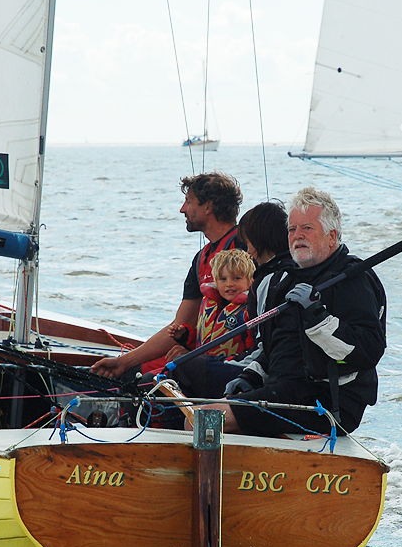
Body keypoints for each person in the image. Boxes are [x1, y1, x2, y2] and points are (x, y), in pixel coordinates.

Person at [178, 187, 386, 437]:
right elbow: (276, 350)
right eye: (292, 229)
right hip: (285, 391)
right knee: (192, 412)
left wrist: (318, 319)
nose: (297, 236)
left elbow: (367, 352)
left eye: (307, 228)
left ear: (332, 236)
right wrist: (251, 376)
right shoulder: (288, 279)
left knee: (201, 421)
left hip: (328, 403)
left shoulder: (354, 280)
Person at [90, 171, 243, 379]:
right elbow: (179, 326)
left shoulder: (244, 246)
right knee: (127, 374)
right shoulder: (201, 259)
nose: (182, 209)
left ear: (208, 207)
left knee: (147, 382)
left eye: (188, 202)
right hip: (197, 352)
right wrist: (123, 362)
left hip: (228, 362)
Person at [166, 248, 255, 360]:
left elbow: (253, 349)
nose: (229, 284)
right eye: (223, 279)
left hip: (231, 365)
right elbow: (202, 340)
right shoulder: (210, 304)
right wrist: (184, 335)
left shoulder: (250, 309)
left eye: (236, 278)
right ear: (216, 282)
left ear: (250, 281)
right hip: (206, 363)